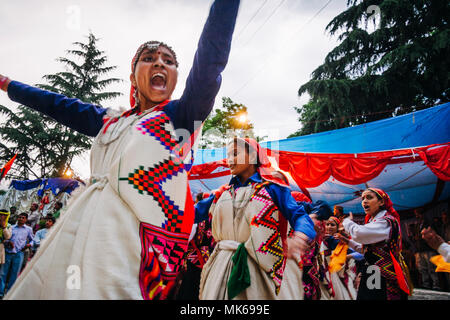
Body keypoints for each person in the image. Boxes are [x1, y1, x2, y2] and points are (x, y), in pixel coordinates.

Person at [1, 0, 240, 300]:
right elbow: (57, 104)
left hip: (132, 252)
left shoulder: (182, 117)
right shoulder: (109, 121)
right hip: (76, 237)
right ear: (133, 77)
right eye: (149, 58)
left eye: (168, 61)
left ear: (177, 77)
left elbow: (210, 62)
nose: (159, 63)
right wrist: (9, 85)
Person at [197, 137, 316, 300]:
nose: (229, 160)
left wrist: (300, 237)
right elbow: (192, 214)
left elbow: (299, 215)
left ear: (253, 157)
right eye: (228, 155)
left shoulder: (273, 189)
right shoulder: (221, 193)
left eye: (235, 154)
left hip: (256, 267)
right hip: (221, 266)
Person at [342, 188, 412, 300]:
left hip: (381, 273)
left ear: (381, 202)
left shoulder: (386, 221)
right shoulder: (374, 222)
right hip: (374, 271)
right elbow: (366, 249)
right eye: (363, 198)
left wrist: (346, 221)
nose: (364, 201)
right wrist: (347, 241)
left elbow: (358, 233)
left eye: (369, 197)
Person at [0, 213, 33, 298]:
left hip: (19, 253)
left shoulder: (28, 229)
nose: (21, 219)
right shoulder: (11, 227)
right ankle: (1, 292)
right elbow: (5, 238)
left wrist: (28, 245)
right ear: (17, 218)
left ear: (26, 219)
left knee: (14, 274)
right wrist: (8, 242)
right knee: (3, 273)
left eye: (23, 218)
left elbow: (33, 240)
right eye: (19, 217)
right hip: (8, 252)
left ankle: (9, 293)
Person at [413, 208, 441, 290]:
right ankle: (426, 284)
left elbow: (432, 235)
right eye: (416, 214)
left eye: (418, 214)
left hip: (428, 249)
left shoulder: (429, 223)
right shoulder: (418, 224)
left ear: (422, 214)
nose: (416, 215)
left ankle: (436, 285)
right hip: (420, 249)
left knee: (431, 268)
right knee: (422, 268)